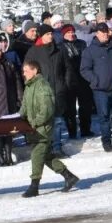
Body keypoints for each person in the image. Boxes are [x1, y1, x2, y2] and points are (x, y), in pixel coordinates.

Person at [19, 60, 80, 198]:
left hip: (43, 129)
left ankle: (34, 187)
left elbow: (47, 110)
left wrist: (34, 122)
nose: (24, 74)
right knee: (45, 157)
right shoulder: (29, 86)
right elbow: (24, 106)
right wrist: (18, 117)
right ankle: (69, 176)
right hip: (34, 128)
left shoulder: (42, 86)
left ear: (35, 71)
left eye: (26, 71)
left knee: (36, 155)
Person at [80, 22, 112, 152]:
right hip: (100, 90)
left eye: (106, 32)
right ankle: (107, 142)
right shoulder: (90, 51)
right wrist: (95, 80)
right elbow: (84, 69)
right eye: (102, 32)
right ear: (97, 33)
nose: (105, 35)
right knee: (104, 118)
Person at [26, 25, 70, 155]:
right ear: (41, 36)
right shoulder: (33, 51)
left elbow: (67, 68)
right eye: (47, 34)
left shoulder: (59, 50)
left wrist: (65, 84)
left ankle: (57, 147)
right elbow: (27, 72)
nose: (50, 36)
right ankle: (45, 148)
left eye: (51, 33)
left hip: (58, 90)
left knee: (57, 121)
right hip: (41, 93)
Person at [60, 25, 94, 138]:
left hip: (82, 79)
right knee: (70, 109)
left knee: (85, 106)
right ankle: (72, 131)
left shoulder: (82, 44)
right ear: (63, 34)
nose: (70, 34)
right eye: (68, 32)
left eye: (72, 32)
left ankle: (85, 129)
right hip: (68, 79)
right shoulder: (60, 47)